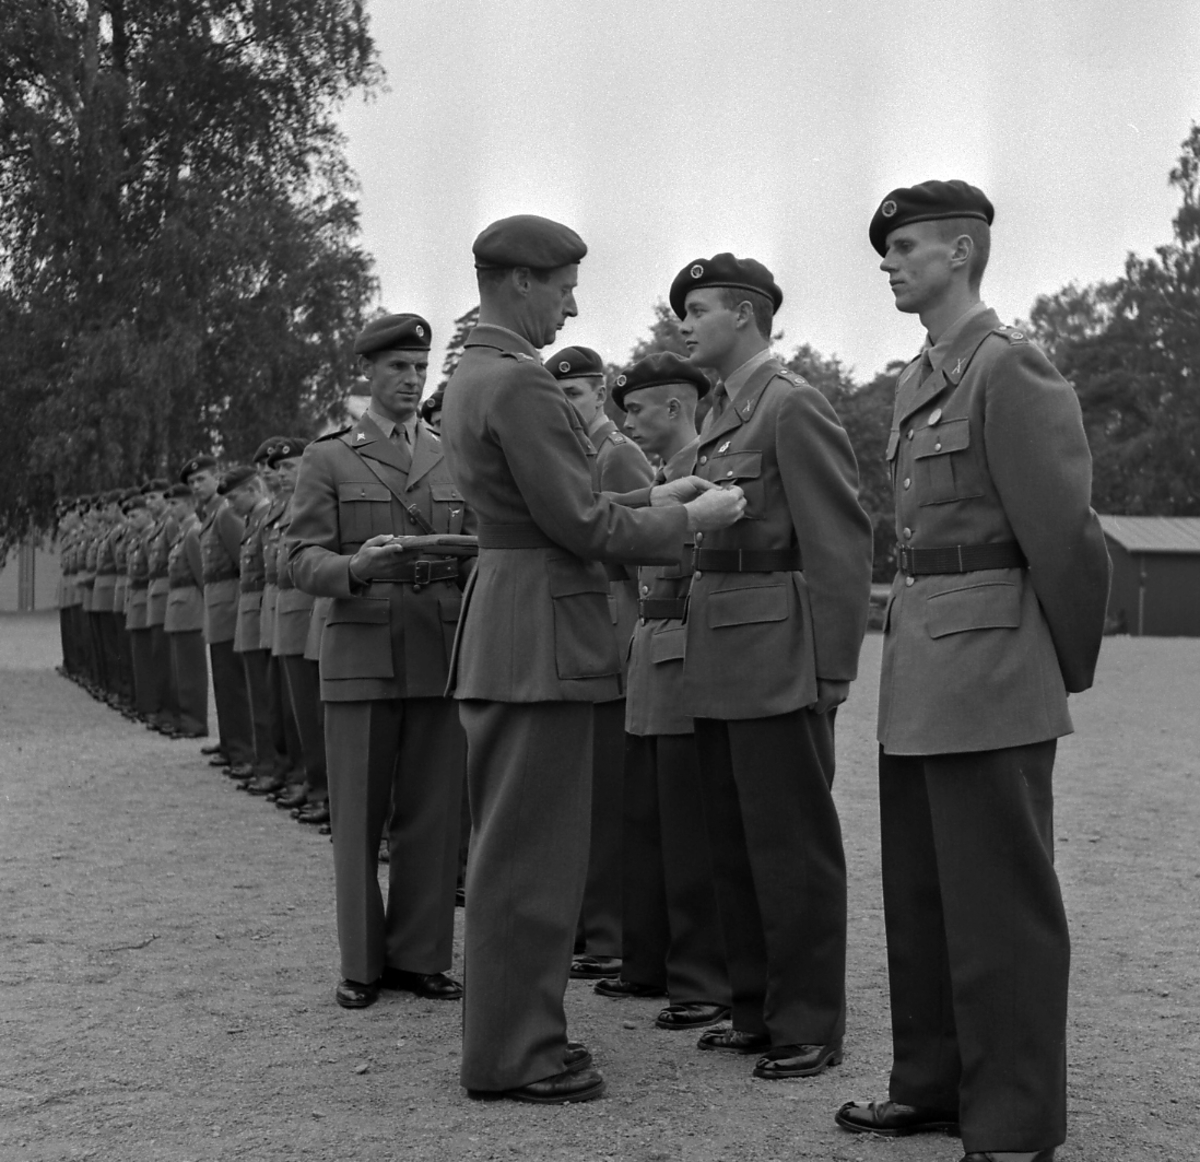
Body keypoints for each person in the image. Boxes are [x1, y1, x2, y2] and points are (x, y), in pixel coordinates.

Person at [440, 213, 746, 1105]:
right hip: (542, 634)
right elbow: (580, 524)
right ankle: (516, 1055)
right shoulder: (522, 384)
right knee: (531, 862)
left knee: (512, 851)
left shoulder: (472, 375)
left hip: (510, 624)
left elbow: (545, 507)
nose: (571, 308)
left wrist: (657, 492)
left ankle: (508, 1039)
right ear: (520, 282)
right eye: (564, 287)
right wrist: (687, 517)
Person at [833, 181, 1111, 1162]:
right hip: (922, 663)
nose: (890, 262)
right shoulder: (919, 377)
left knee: (1001, 908)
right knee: (922, 898)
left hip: (991, 666)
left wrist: (1049, 667)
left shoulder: (1009, 367)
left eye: (907, 246)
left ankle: (1016, 1120)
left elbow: (1066, 539)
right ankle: (934, 1085)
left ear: (961, 252)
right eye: (887, 249)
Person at [670, 252, 873, 1080]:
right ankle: (755, 1007)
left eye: (699, 310)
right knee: (733, 842)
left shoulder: (790, 405)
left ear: (747, 315)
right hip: (720, 651)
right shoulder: (720, 412)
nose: (684, 324)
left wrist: (832, 669)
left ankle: (809, 1022)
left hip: (779, 656)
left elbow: (840, 542)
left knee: (791, 847)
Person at [289, 313, 474, 1011]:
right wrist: (353, 568)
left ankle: (420, 956)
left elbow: (478, 544)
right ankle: (362, 963)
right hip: (362, 647)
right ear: (367, 372)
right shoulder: (330, 457)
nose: (411, 379)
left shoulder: (449, 454)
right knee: (360, 818)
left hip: (437, 648)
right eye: (397, 367)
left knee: (434, 814)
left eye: (420, 368)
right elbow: (300, 559)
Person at [593, 351, 731, 1031]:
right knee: (644, 820)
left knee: (688, 829)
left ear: (676, 408)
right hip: (649, 653)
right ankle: (647, 959)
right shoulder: (659, 479)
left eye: (638, 409)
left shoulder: (708, 475)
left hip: (685, 653)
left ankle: (703, 977)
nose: (627, 423)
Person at [548, 344, 655, 983]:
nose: (567, 405)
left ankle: (611, 932)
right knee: (584, 794)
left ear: (600, 391)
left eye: (575, 394)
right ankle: (592, 923)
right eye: (558, 396)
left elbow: (644, 547)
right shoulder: (574, 451)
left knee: (609, 797)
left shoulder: (617, 452)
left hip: (614, 629)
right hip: (584, 626)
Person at [197, 460, 254, 777]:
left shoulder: (226, 513)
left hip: (230, 606)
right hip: (218, 607)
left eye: (200, 479)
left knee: (234, 683)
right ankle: (231, 743)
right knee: (223, 681)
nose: (195, 486)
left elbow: (242, 561)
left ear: (216, 479)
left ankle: (243, 750)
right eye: (191, 482)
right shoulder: (211, 515)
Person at [165, 460, 211, 739]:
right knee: (180, 669)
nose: (170, 509)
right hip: (178, 607)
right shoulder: (182, 531)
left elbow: (201, 575)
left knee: (191, 670)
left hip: (190, 607)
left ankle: (195, 721)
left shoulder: (194, 532)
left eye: (175, 504)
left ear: (189, 504)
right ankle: (185, 719)